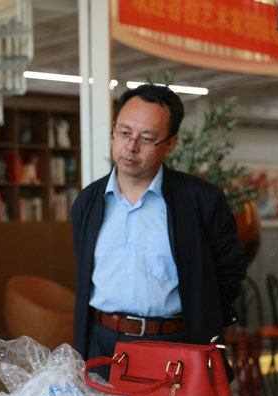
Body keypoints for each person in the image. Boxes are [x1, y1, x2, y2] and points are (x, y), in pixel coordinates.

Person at [71, 83, 245, 379]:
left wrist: (199, 317)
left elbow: (229, 275)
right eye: (124, 133)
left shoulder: (202, 201)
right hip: (101, 343)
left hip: (174, 344)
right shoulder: (88, 202)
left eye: (146, 138)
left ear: (170, 144)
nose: (131, 146)